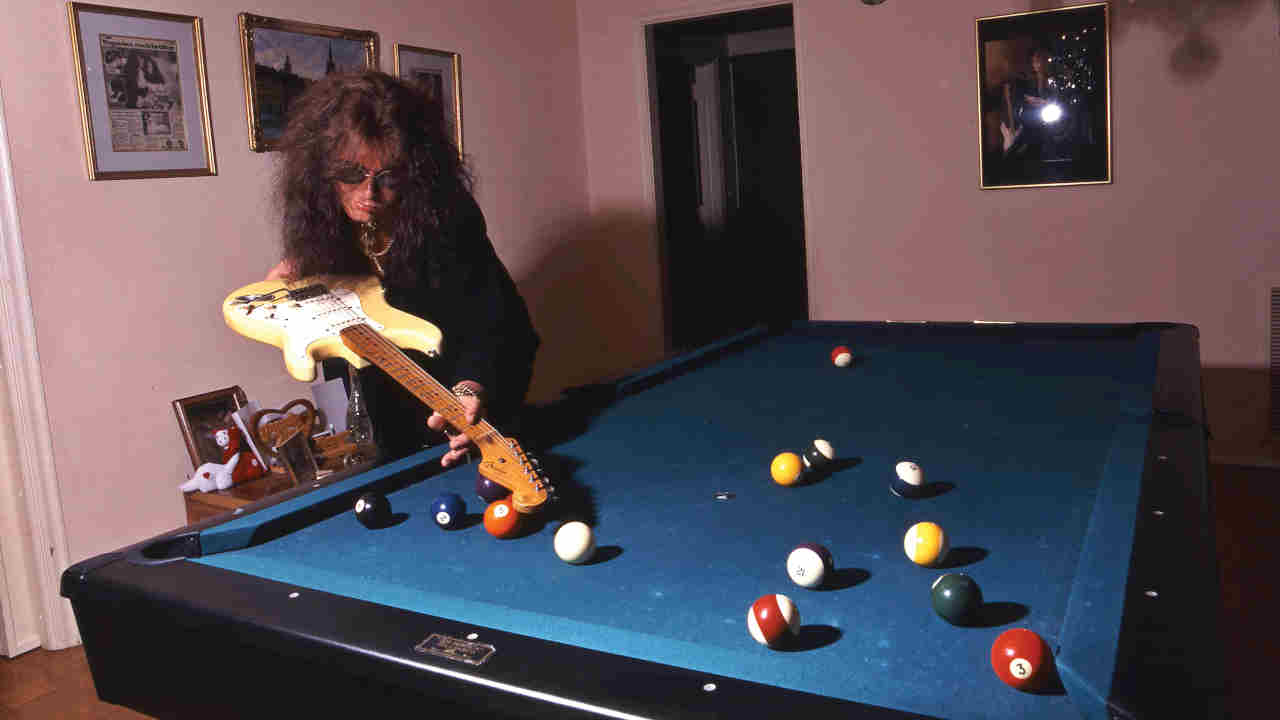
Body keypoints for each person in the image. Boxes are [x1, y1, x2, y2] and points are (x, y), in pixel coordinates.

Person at [265, 70, 540, 467]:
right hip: (383, 408)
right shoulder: (319, 215)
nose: (369, 195)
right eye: (350, 174)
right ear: (321, 167)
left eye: (389, 177)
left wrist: (468, 390)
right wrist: (300, 289)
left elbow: (494, 322)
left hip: (467, 388)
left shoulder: (446, 214)